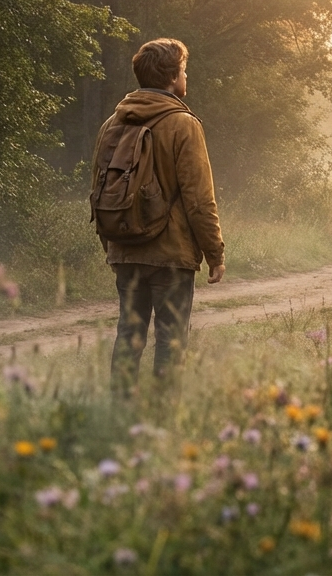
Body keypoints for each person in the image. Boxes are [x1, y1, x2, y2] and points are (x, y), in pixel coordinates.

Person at [92, 38, 225, 396]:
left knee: (129, 333)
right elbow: (199, 199)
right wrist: (215, 253)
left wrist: (112, 244)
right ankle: (161, 415)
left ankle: (120, 412)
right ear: (171, 77)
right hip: (170, 255)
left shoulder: (112, 124)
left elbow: (99, 190)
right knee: (171, 337)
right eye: (184, 69)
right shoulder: (183, 124)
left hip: (125, 248)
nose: (186, 75)